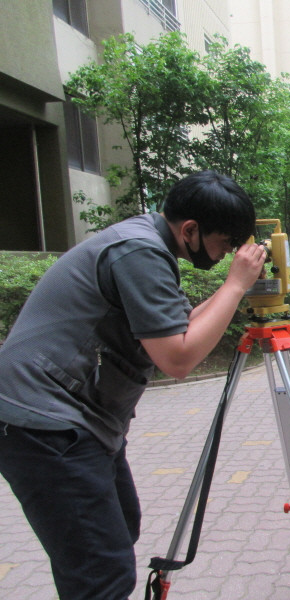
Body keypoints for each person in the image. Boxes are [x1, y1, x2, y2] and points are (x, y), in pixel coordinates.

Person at [0, 170, 267, 599]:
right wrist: (236, 286)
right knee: (101, 572)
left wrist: (232, 288)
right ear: (190, 230)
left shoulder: (146, 241)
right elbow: (177, 358)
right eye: (224, 242)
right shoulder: (139, 252)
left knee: (120, 528)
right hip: (44, 422)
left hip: (74, 418)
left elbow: (177, 326)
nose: (225, 254)